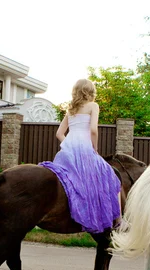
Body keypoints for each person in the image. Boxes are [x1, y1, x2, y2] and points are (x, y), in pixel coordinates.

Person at [39, 79, 121, 234]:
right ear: (90, 92)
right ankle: (119, 221)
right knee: (112, 176)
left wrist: (69, 144)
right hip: (85, 148)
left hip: (68, 151)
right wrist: (94, 148)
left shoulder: (71, 110)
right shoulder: (93, 106)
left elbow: (59, 133)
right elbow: (93, 130)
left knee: (70, 181)